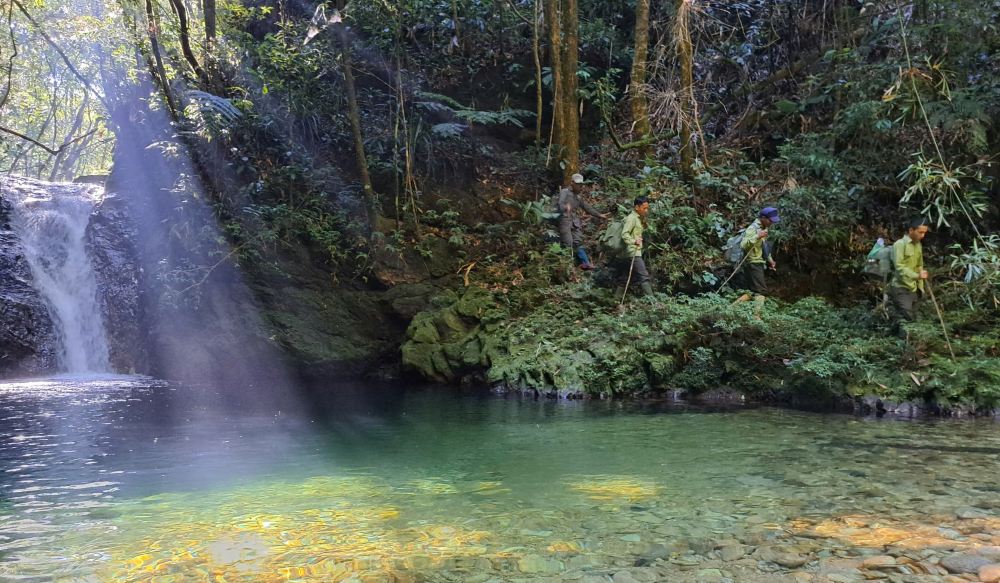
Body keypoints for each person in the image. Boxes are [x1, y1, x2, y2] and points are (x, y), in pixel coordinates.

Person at [734, 207, 780, 315]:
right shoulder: (752, 229)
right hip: (753, 263)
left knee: (752, 291)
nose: (772, 222)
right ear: (763, 218)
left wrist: (771, 260)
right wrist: (757, 236)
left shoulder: (764, 228)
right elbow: (743, 245)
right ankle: (756, 317)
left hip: (758, 262)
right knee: (761, 291)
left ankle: (731, 308)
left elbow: (763, 247)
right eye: (770, 220)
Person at [556, 173, 607, 269]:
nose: (580, 187)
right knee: (568, 242)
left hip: (574, 222)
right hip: (565, 220)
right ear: (572, 183)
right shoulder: (565, 192)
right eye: (578, 184)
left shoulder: (578, 197)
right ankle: (567, 267)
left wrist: (599, 215)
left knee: (578, 242)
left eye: (581, 185)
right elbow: (560, 204)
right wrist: (565, 207)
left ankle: (585, 263)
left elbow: (587, 207)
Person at [888, 217, 929, 336]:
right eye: (920, 232)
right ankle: (905, 347)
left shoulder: (918, 245)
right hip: (901, 287)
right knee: (908, 318)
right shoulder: (899, 244)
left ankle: (893, 338)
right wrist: (916, 276)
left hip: (915, 288)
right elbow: (899, 266)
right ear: (911, 230)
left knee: (908, 318)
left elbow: (919, 264)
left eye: (924, 233)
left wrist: (922, 278)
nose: (922, 236)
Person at [619, 195, 653, 296]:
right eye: (644, 208)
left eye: (647, 208)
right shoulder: (632, 218)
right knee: (644, 276)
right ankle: (654, 303)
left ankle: (616, 300)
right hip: (633, 252)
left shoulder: (639, 218)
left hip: (631, 252)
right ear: (637, 207)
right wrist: (634, 241)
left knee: (624, 278)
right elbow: (624, 234)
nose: (646, 211)